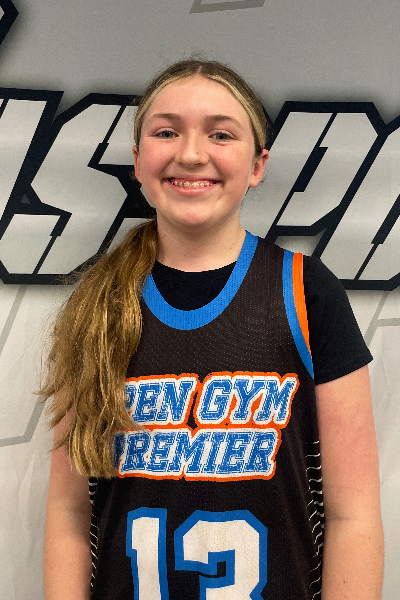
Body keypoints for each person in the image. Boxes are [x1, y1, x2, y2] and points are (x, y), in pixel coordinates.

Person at [42, 59, 384, 600]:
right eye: (166, 132)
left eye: (221, 134)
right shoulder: (96, 304)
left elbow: (353, 513)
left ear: (257, 164)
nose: (191, 153)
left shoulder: (305, 292)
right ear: (137, 161)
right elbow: (68, 511)